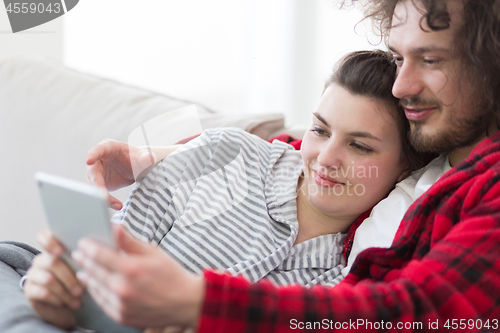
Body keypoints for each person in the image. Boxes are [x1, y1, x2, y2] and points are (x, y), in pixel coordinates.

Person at [23, 0, 500, 331]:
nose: (402, 85)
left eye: (431, 59)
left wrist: (196, 303)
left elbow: (416, 312)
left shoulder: (348, 269)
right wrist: (175, 153)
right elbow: (291, 150)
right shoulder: (245, 159)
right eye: (399, 58)